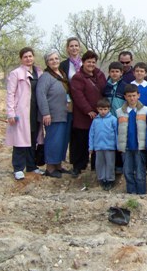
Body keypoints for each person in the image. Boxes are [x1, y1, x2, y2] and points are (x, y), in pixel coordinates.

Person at [6, 47, 44, 180]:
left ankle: (31, 165)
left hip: (35, 110)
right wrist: (11, 112)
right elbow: (10, 93)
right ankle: (18, 168)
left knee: (32, 138)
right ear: (21, 59)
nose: (28, 59)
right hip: (21, 111)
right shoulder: (15, 73)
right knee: (20, 140)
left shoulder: (38, 72)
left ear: (34, 57)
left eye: (30, 56)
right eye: (25, 57)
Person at [70, 50, 106, 178]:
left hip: (99, 114)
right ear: (83, 62)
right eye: (88, 62)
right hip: (83, 116)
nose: (91, 64)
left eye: (93, 62)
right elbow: (78, 96)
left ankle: (95, 167)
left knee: (97, 141)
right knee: (81, 141)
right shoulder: (78, 77)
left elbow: (104, 91)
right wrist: (88, 110)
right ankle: (78, 166)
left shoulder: (100, 75)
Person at [36, 50, 72, 178]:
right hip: (53, 114)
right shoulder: (46, 77)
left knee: (62, 141)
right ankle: (50, 168)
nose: (54, 61)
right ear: (47, 62)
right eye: (51, 59)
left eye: (56, 58)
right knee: (53, 140)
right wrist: (45, 113)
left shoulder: (61, 74)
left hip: (65, 112)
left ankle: (58, 165)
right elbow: (41, 95)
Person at [117, 84, 147, 194]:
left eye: (134, 95)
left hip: (140, 146)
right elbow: (117, 129)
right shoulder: (119, 111)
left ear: (138, 95)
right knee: (128, 171)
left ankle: (141, 194)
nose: (132, 98)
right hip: (126, 146)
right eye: (129, 96)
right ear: (125, 97)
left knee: (140, 173)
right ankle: (131, 193)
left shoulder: (145, 110)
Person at [88, 98, 118, 190]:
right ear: (97, 109)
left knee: (110, 163)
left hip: (110, 146)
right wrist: (91, 146)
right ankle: (101, 179)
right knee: (100, 164)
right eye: (101, 109)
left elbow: (117, 133)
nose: (103, 111)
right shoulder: (95, 120)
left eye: (105, 109)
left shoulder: (113, 120)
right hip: (98, 147)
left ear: (109, 109)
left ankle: (110, 180)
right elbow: (91, 134)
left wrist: (117, 145)